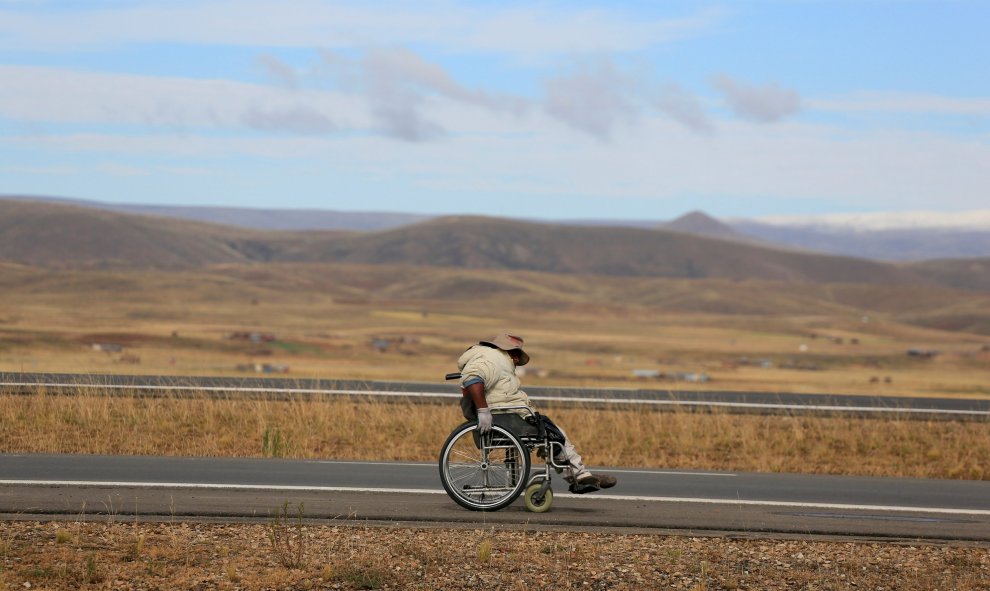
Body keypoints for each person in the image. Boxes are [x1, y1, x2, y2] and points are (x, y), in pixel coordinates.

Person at [457, 332, 617, 492]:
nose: (518, 360)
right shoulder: (493, 359)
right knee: (554, 434)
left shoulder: (495, 359)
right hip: (505, 418)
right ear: (510, 352)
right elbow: (472, 379)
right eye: (517, 354)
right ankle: (579, 475)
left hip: (508, 416)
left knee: (552, 430)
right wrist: (483, 411)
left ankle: (580, 474)